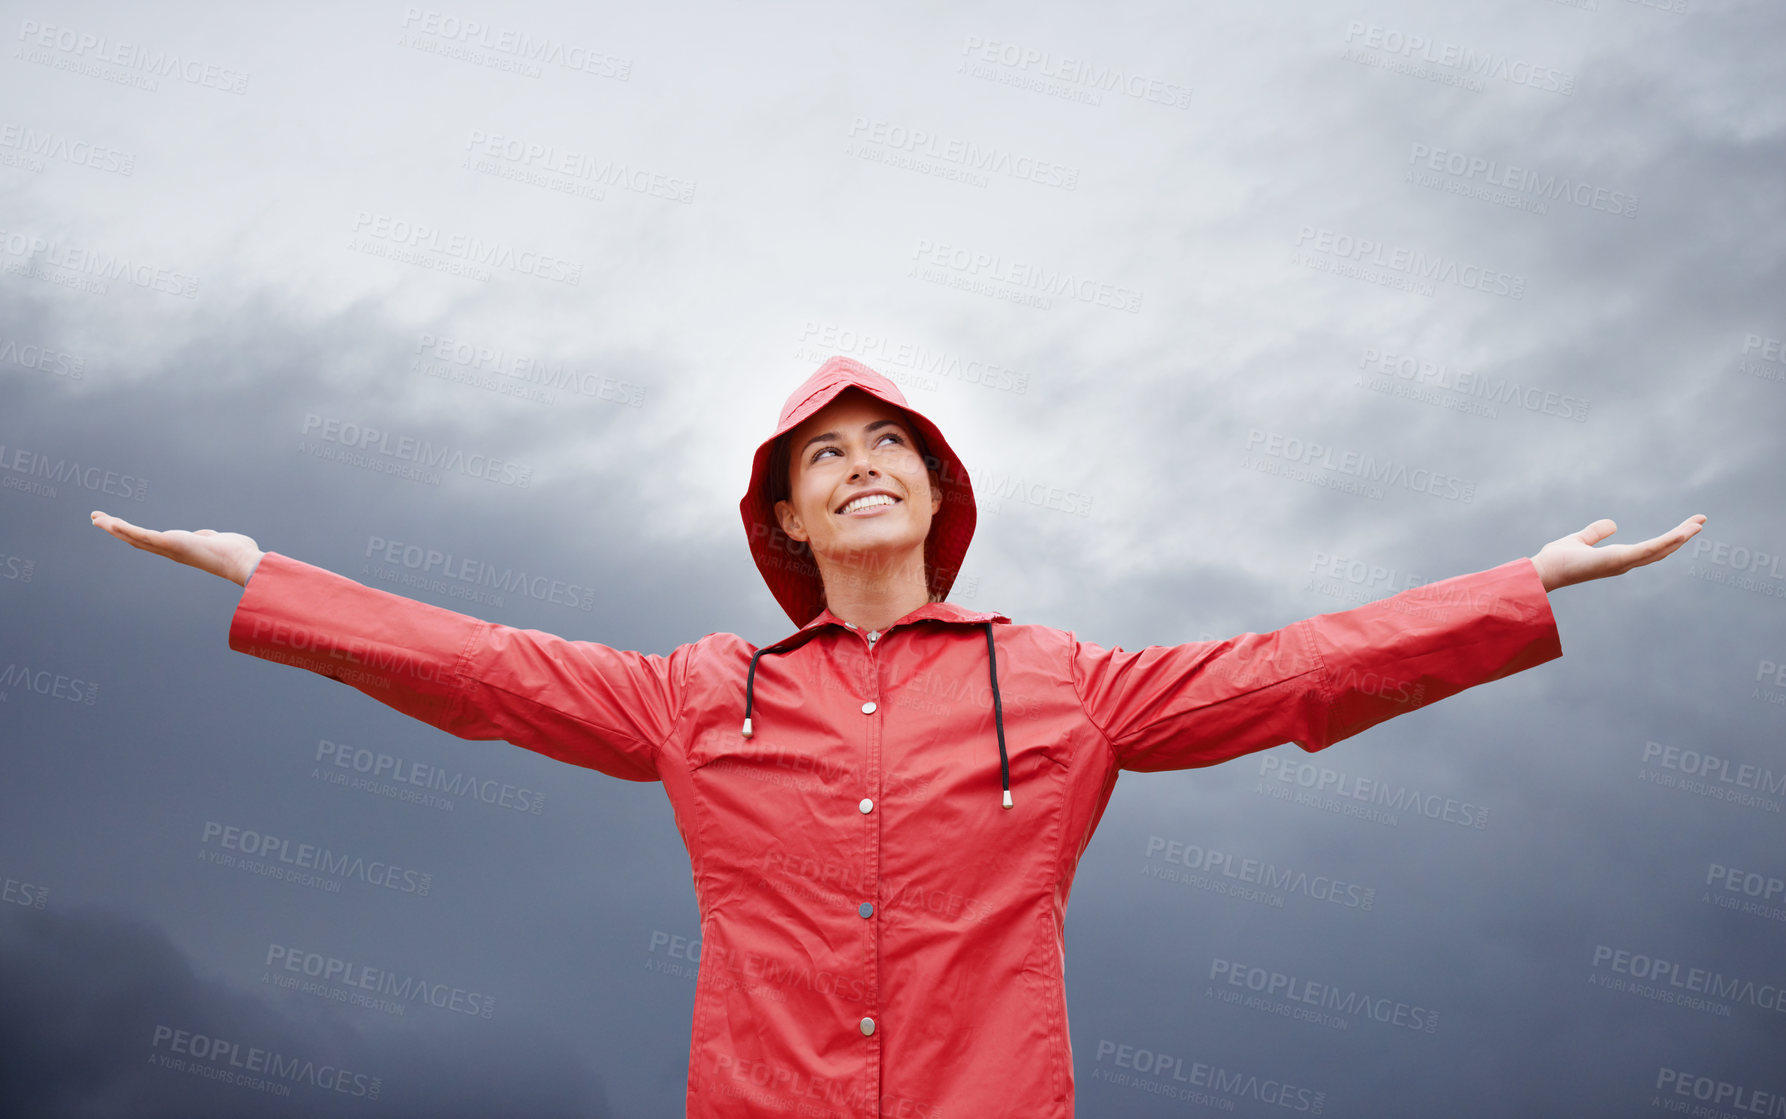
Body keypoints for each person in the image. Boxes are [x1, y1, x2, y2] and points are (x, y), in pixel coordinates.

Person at [91, 356, 1706, 1118]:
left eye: (892, 447)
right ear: (786, 514)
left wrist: (1516, 587)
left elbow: (1294, 671)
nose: (861, 466)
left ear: (935, 493)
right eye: (827, 455)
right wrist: (270, 577)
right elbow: (483, 667)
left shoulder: (1062, 681)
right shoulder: (700, 692)